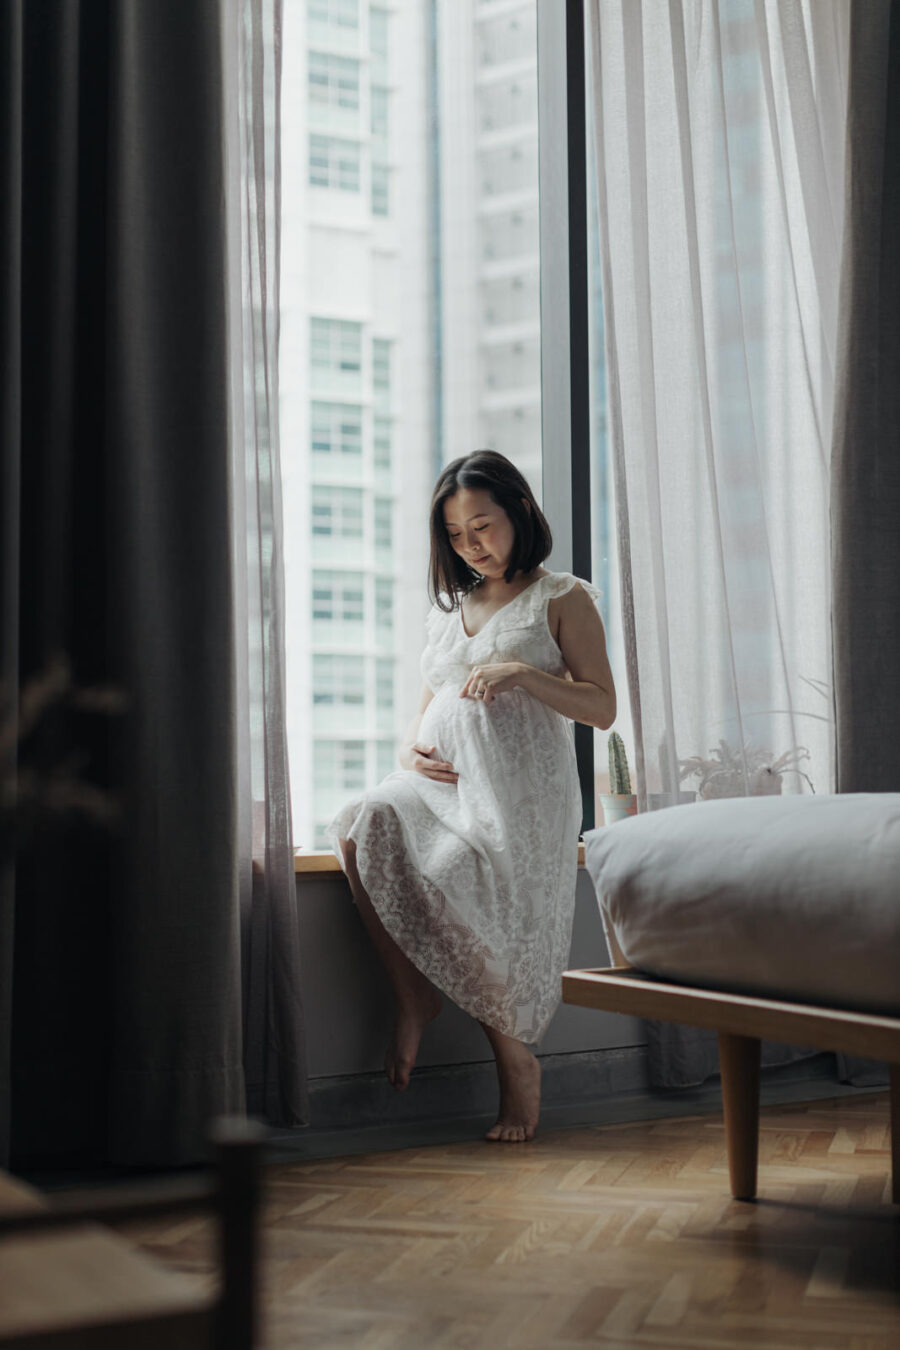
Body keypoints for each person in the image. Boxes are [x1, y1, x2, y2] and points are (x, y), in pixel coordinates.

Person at [330, 450, 616, 1142]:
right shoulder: (452, 608)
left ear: (519, 512)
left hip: (517, 795)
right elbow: (428, 705)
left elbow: (602, 708)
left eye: (483, 527)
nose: (472, 546)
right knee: (356, 824)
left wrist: (522, 672)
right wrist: (408, 750)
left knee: (471, 898)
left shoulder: (563, 598)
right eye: (457, 536)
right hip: (439, 788)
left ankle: (514, 1061)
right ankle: (413, 997)